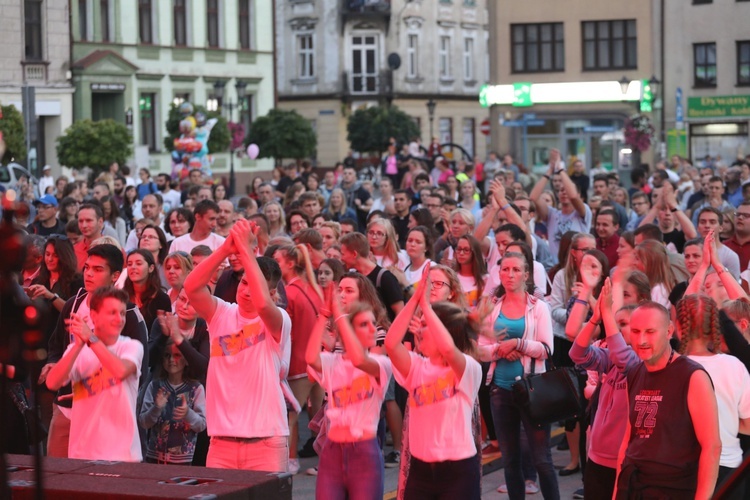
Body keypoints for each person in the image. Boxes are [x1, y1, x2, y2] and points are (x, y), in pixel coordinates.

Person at [183, 219, 292, 472]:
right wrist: (226, 249)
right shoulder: (221, 313)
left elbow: (264, 305)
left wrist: (247, 250)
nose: (245, 291)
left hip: (266, 442)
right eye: (243, 283)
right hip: (221, 442)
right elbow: (191, 287)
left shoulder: (278, 319)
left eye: (253, 287)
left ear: (272, 293)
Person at [386, 264, 482, 499]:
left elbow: (449, 349)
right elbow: (391, 343)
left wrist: (427, 307)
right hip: (420, 471)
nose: (419, 331)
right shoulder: (417, 368)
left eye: (426, 327)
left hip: (457, 471)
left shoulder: (467, 369)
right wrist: (417, 298)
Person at [614, 302, 721, 499]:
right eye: (636, 331)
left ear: (669, 331)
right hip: (633, 485)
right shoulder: (635, 372)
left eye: (650, 331)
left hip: (674, 489)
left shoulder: (692, 376)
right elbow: (627, 440)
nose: (642, 339)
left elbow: (712, 447)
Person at [482, 252, 560, 500]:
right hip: (500, 390)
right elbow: (479, 348)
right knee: (510, 460)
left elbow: (547, 349)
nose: (510, 274)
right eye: (505, 269)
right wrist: (500, 350)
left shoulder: (539, 308)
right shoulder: (491, 306)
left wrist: (518, 343)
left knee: (541, 460)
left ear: (526, 275)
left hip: (532, 391)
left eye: (516, 270)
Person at [306, 287, 393, 499]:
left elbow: (359, 360)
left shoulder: (381, 363)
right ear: (349, 332)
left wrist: (340, 313)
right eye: (364, 324)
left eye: (373, 322)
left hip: (364, 452)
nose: (373, 329)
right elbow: (310, 358)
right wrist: (325, 315)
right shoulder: (333, 362)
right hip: (332, 452)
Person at [45, 286, 144, 461]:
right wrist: (77, 346)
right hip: (82, 453)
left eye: (122, 313)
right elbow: (52, 383)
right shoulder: (77, 350)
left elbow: (120, 370)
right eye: (112, 312)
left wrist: (90, 338)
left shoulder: (131, 346)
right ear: (94, 315)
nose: (119, 319)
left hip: (122, 454)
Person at [568, 279, 640, 499]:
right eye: (616, 323)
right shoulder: (609, 357)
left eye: (625, 324)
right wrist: (595, 319)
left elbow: (624, 360)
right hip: (597, 454)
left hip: (624, 459)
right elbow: (577, 354)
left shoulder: (640, 361)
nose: (617, 328)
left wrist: (608, 313)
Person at [677, 294, 750, 500]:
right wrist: (724, 423)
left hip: (682, 469)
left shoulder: (672, 367)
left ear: (678, 327)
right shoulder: (734, 366)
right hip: (728, 468)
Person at [273, 244, 324, 475]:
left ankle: (289, 461)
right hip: (317, 363)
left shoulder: (290, 293)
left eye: (278, 259)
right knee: (319, 418)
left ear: (290, 263)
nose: (275, 263)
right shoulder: (311, 287)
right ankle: (327, 461)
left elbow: (285, 334)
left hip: (298, 365)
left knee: (290, 417)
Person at [140, 338, 207, 464]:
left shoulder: (196, 389)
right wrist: (156, 408)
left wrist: (188, 414)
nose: (171, 360)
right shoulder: (154, 386)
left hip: (183, 462)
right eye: (167, 355)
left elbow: (201, 425)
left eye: (177, 355)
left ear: (187, 360)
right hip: (154, 459)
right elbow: (144, 422)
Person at [123, 249, 171, 332]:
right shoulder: (121, 297)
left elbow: (162, 335)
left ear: (151, 268)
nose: (133, 267)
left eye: (138, 263)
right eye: (129, 264)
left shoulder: (161, 299)